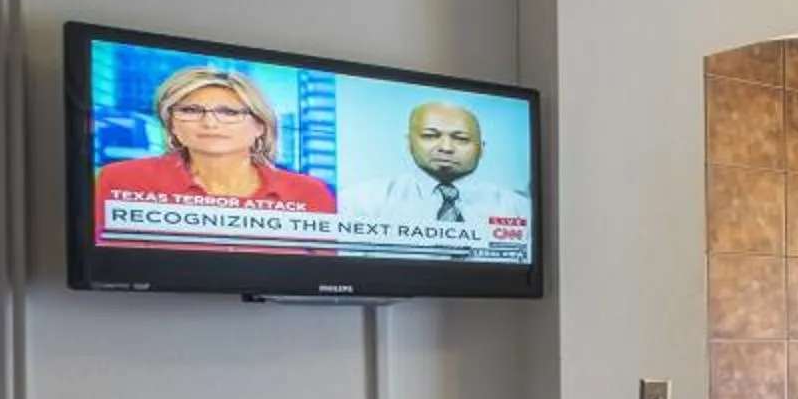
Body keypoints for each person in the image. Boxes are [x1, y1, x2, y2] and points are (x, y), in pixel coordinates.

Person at [93, 67, 335, 233]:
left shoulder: (309, 193)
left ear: (260, 126)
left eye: (229, 112)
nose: (209, 123)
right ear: (171, 124)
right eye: (190, 111)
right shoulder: (122, 179)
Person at [340, 101, 533, 249]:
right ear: (409, 143)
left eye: (461, 139)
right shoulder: (361, 201)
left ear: (482, 149)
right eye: (430, 136)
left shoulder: (518, 208)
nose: (446, 148)